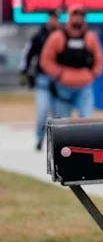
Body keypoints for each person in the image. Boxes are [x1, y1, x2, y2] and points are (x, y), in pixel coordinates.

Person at [40, 4, 103, 119]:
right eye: (75, 16)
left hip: (84, 85)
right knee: (62, 121)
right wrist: (59, 74)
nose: (78, 19)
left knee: (86, 119)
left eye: (80, 16)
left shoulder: (90, 38)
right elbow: (46, 60)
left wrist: (92, 74)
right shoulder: (57, 38)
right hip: (63, 87)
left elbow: (99, 59)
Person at [18, 9, 61, 150]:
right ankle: (40, 138)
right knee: (43, 111)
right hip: (42, 79)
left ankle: (57, 142)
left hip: (59, 80)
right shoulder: (40, 36)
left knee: (59, 114)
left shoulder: (63, 36)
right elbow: (28, 54)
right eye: (52, 18)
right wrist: (25, 71)